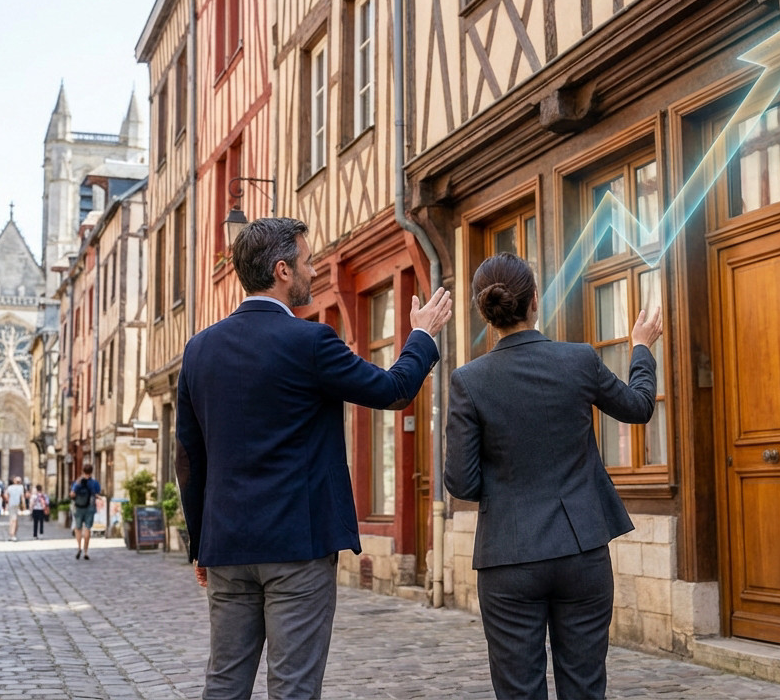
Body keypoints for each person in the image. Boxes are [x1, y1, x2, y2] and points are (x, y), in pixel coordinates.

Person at [176, 217, 453, 699]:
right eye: (307, 262)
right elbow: (392, 390)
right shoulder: (310, 342)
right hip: (296, 547)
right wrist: (422, 335)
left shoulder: (199, 350)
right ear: (282, 270)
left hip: (227, 547)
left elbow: (189, 458)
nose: (314, 270)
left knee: (224, 681)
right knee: (294, 687)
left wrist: (202, 541)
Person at [443, 252, 662, 699]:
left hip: (508, 556)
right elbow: (639, 407)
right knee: (584, 687)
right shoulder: (579, 360)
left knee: (519, 691)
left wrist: (509, 492)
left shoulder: (469, 380)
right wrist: (641, 347)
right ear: (535, 302)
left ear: (483, 309)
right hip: (581, 549)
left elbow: (461, 483)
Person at [69, 464, 101, 560]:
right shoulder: (94, 483)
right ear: (91, 471)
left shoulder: (78, 482)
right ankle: (86, 551)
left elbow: (72, 494)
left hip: (78, 507)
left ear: (83, 471)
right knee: (87, 528)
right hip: (90, 507)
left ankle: (79, 547)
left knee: (78, 528)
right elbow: (97, 493)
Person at [5, 476, 26, 542]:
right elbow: (22, 497)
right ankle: (13, 535)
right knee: (14, 520)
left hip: (11, 504)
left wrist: (7, 502)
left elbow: (6, 495)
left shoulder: (10, 487)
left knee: (13, 520)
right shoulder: (21, 487)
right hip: (16, 505)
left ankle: (12, 534)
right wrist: (24, 505)